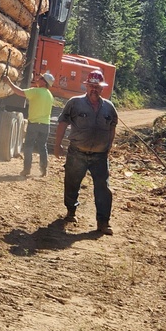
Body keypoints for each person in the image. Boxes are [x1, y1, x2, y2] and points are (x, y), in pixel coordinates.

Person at [53, 69, 118, 233]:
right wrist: (57, 145)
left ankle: (103, 223)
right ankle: (71, 211)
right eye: (91, 86)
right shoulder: (74, 103)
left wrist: (108, 147)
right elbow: (62, 123)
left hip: (100, 156)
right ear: (86, 86)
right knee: (72, 183)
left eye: (97, 86)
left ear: (102, 88)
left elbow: (112, 127)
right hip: (77, 153)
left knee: (103, 188)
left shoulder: (109, 108)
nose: (94, 89)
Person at [12, 70, 57, 177]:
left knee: (28, 146)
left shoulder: (36, 92)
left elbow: (19, 92)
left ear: (44, 82)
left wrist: (9, 82)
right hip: (45, 125)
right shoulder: (50, 95)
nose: (38, 79)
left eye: (41, 78)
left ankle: (27, 170)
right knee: (42, 146)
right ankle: (44, 169)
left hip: (34, 124)